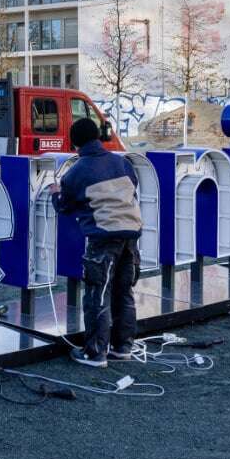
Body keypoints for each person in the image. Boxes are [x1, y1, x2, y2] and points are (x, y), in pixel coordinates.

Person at [50, 118, 142, 368]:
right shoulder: (121, 162)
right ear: (99, 139)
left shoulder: (76, 171)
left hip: (103, 238)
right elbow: (132, 187)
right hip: (132, 235)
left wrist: (54, 193)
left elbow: (65, 206)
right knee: (124, 292)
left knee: (97, 294)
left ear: (74, 144)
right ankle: (123, 347)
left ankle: (95, 353)